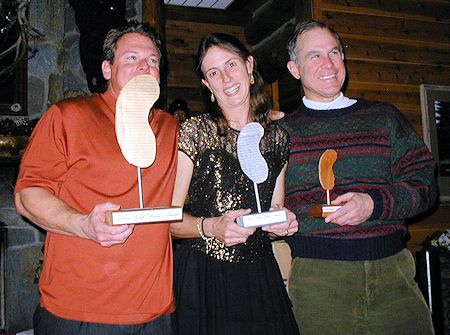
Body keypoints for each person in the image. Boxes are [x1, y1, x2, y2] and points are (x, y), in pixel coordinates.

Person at [14, 21, 177, 335]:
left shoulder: (173, 128)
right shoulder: (68, 116)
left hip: (155, 312)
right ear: (107, 69)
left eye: (153, 60)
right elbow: (27, 194)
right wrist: (83, 224)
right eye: (131, 58)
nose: (145, 65)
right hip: (80, 313)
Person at [281, 19, 437, 335]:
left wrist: (374, 204)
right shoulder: (282, 134)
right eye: (314, 56)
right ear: (294, 69)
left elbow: (426, 185)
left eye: (335, 52)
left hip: (393, 273)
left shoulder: (385, 118)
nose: (329, 63)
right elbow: (272, 208)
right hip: (318, 282)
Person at [170, 33, 300, 335]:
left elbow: (275, 210)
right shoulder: (196, 131)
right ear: (207, 85)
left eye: (231, 64)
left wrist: (283, 222)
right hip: (204, 275)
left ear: (249, 65)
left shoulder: (277, 138)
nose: (226, 77)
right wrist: (211, 227)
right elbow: (168, 219)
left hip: (259, 274)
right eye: (213, 72)